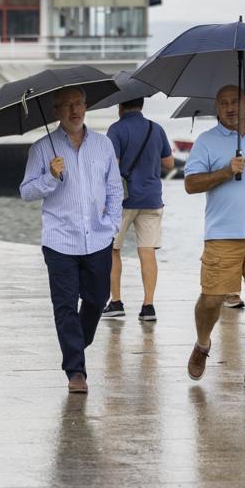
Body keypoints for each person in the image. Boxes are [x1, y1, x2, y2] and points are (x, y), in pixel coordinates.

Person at [19, 87, 121, 395]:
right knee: (64, 306)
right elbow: (26, 192)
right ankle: (76, 370)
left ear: (86, 106)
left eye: (78, 103)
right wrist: (50, 175)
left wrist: (113, 224)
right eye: (66, 106)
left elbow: (115, 189)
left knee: (97, 299)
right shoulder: (41, 149)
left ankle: (75, 340)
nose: (73, 110)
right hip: (59, 239)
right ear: (56, 112)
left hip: (98, 237)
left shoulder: (103, 145)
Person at [183, 85, 245, 385]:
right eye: (223, 103)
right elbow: (190, 184)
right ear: (215, 108)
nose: (230, 107)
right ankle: (203, 342)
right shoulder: (206, 142)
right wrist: (226, 171)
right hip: (222, 236)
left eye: (235, 102)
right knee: (212, 299)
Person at [102, 97, 174, 322]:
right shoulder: (156, 128)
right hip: (152, 199)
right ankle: (148, 306)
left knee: (113, 249)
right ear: (142, 105)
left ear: (120, 106)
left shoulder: (116, 130)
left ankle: (116, 302)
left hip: (122, 200)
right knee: (147, 250)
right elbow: (169, 163)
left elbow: (110, 166)